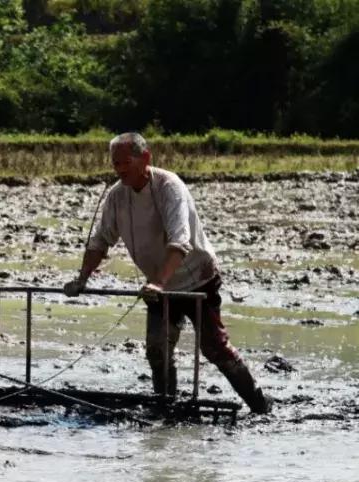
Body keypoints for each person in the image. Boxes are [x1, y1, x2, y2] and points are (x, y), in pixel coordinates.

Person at [63, 132, 271, 413]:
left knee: (214, 348)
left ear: (145, 158)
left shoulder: (168, 187)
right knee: (157, 350)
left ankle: (260, 406)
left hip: (196, 278)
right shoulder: (116, 197)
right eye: (115, 164)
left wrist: (160, 283)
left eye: (125, 162)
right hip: (158, 284)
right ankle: (165, 408)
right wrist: (82, 279)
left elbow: (180, 242)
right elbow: (100, 242)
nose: (120, 170)